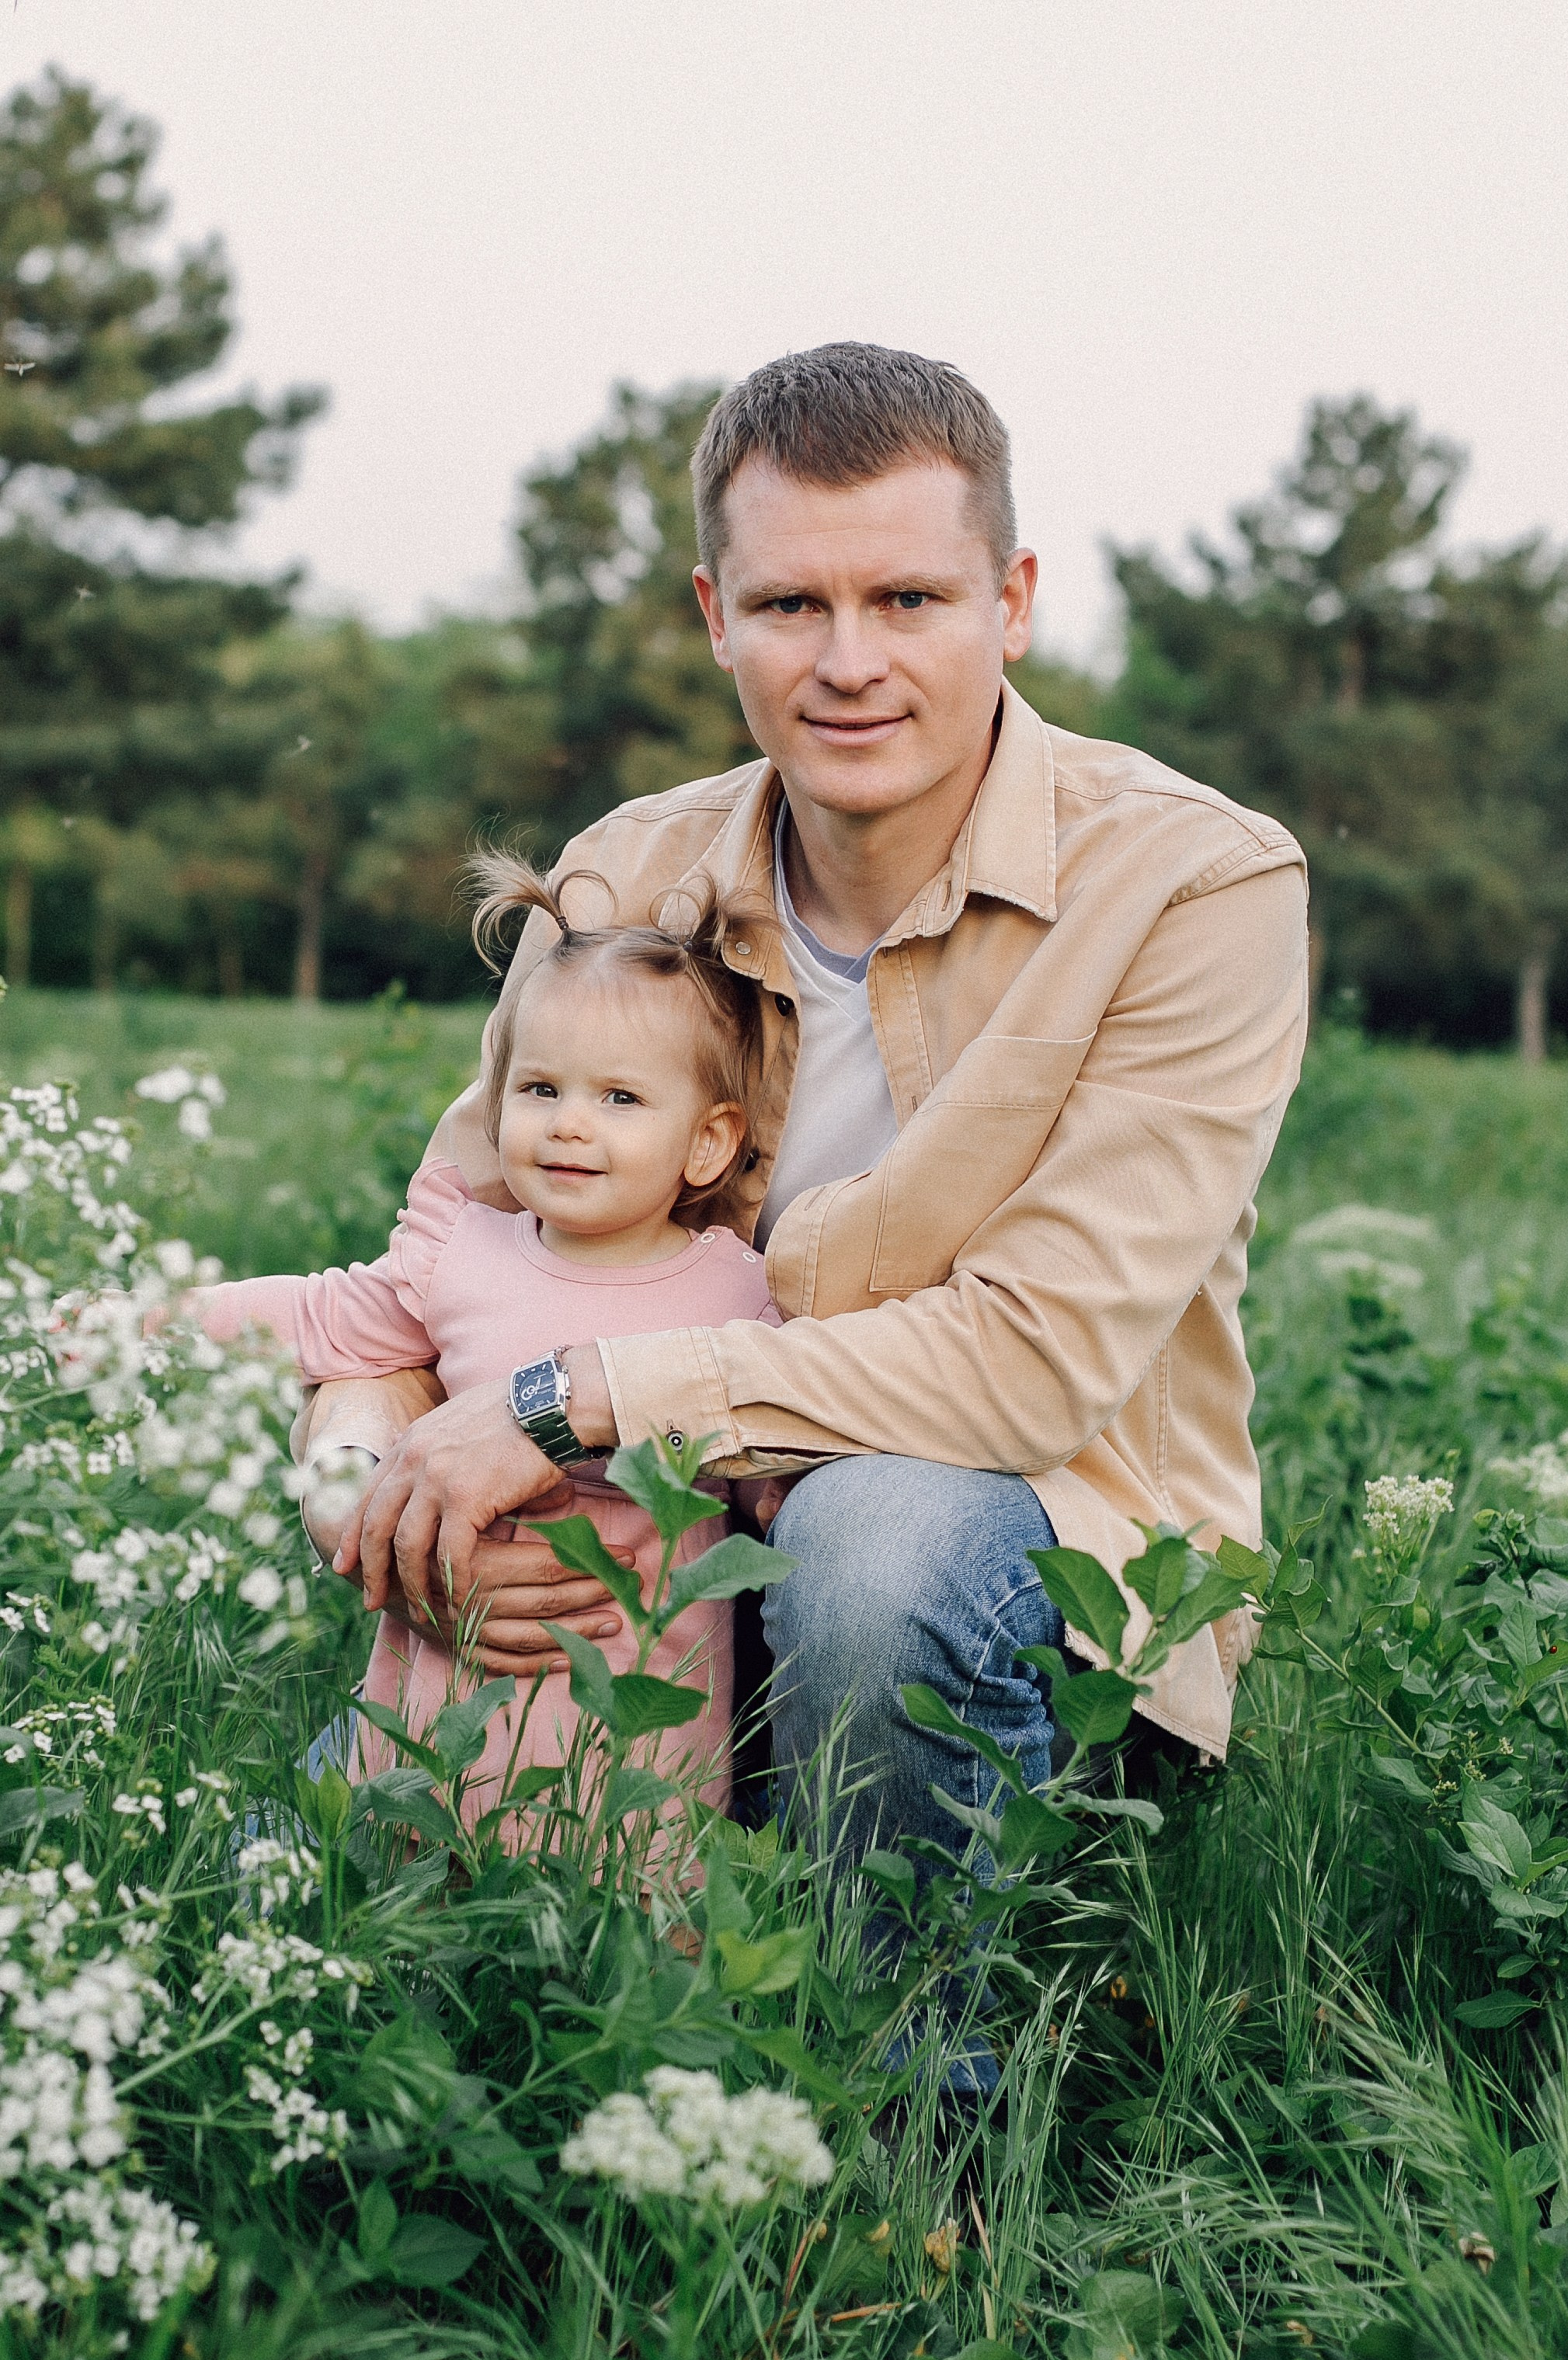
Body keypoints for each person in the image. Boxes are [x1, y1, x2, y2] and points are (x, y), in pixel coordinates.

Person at [301, 340, 1310, 1875]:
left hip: (1022, 1572)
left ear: (1012, 600)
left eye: (908, 599)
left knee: (868, 1546)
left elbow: (1030, 1370)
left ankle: (912, 2089)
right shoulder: (632, 870)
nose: (850, 662)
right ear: (719, 618)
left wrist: (562, 1401)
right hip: (651, 1559)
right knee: (308, 1885)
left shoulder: (1193, 883)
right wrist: (371, 1494)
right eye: (790, 605)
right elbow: (419, 1286)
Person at [191, 862, 781, 1830]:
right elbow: (324, 1317)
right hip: (446, 1677)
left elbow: (767, 1454)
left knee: (622, 1908)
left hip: (632, 1716)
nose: (569, 1123)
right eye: (541, 1087)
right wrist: (150, 1325)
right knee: (410, 1873)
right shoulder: (459, 1251)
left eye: (621, 1099)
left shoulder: (734, 1292)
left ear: (709, 1143)